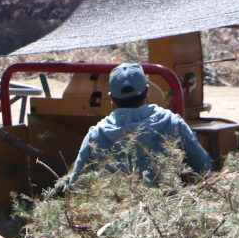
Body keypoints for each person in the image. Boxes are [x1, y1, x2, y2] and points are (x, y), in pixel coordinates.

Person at [68, 62, 212, 185]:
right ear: (147, 92)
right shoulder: (173, 123)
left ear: (111, 98)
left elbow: (75, 184)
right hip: (167, 212)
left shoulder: (95, 135)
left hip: (115, 213)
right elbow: (203, 166)